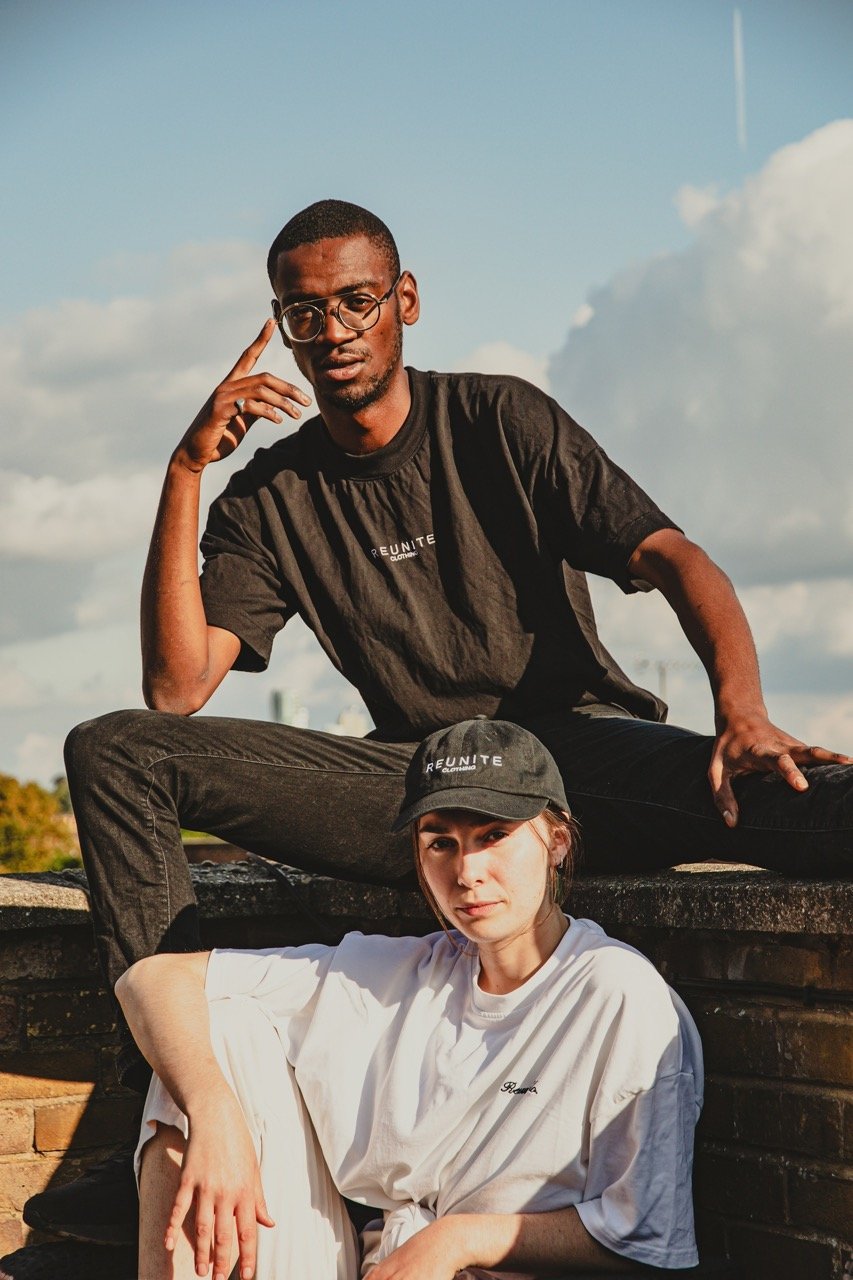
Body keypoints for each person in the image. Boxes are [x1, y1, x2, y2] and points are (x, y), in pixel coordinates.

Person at [25, 198, 851, 1245]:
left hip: (565, 755)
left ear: (403, 300)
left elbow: (675, 556)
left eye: (356, 301)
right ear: (281, 324)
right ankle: (179, 1108)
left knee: (800, 803)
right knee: (113, 752)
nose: (332, 332)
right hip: (417, 780)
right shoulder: (269, 494)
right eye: (303, 312)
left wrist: (741, 710)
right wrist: (185, 471)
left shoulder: (499, 419)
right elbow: (177, 686)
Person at [116, 720, 704, 1279]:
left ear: (555, 841)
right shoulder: (401, 973)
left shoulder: (616, 994)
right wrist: (215, 1114)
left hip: (499, 1270)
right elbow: (153, 979)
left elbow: (646, 1231)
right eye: (440, 843)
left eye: (494, 836)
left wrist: (458, 1239)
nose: (468, 871)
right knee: (219, 1028)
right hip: (377, 1261)